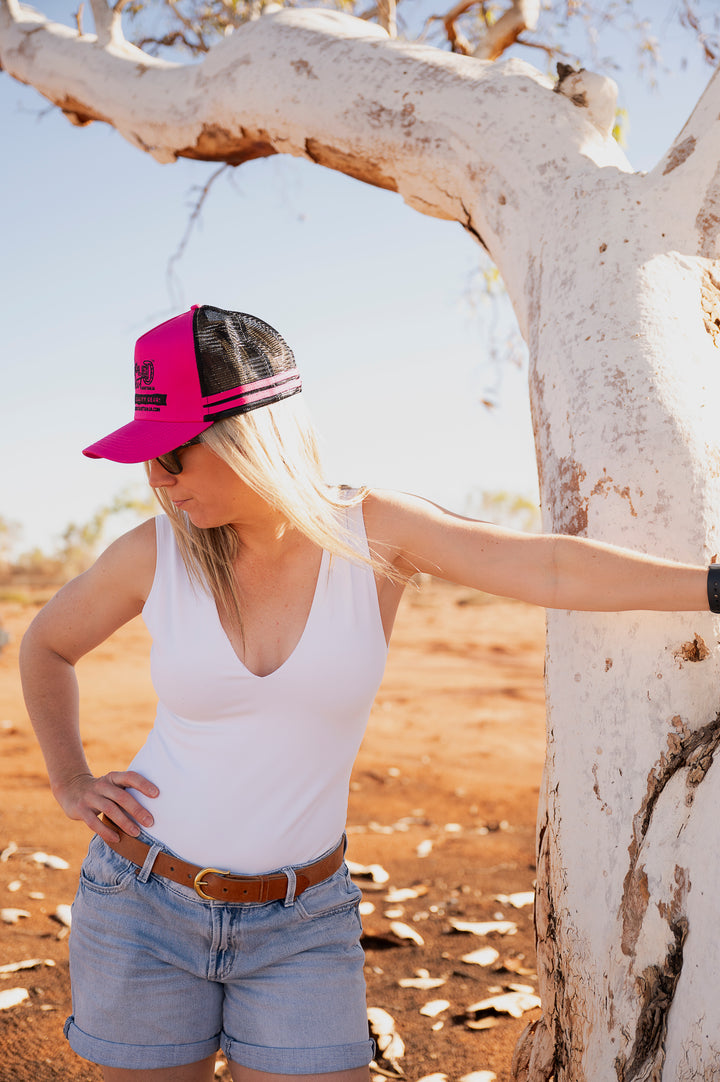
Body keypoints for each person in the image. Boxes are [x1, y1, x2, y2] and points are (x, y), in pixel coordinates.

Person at [19, 303, 717, 1082]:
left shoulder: (373, 532)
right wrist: (71, 778)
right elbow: (46, 644)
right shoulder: (152, 555)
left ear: (247, 436)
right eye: (149, 456)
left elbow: (545, 567)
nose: (156, 478)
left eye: (174, 454)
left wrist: (712, 586)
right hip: (142, 904)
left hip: (301, 923)